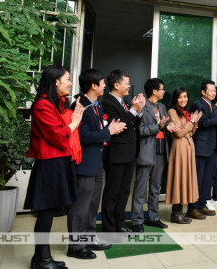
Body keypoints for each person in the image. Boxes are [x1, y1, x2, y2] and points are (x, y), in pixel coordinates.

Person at [24, 65, 84, 269]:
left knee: (51, 211)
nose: (70, 83)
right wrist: (74, 122)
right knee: (46, 212)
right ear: (55, 81)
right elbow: (58, 136)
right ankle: (42, 259)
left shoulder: (58, 103)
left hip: (60, 162)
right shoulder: (42, 105)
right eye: (67, 79)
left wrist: (75, 119)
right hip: (49, 164)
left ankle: (40, 257)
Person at [67, 69, 125, 259]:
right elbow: (83, 136)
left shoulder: (97, 106)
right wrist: (110, 131)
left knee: (92, 204)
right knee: (80, 206)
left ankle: (89, 238)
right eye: (101, 83)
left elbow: (98, 130)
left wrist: (110, 128)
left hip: (97, 161)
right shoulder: (79, 105)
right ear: (93, 85)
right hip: (84, 162)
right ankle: (75, 247)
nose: (104, 85)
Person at [101, 69, 145, 233]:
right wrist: (133, 110)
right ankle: (109, 227)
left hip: (129, 153)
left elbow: (134, 125)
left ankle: (119, 223)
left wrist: (138, 111)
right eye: (126, 83)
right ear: (116, 84)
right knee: (112, 192)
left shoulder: (126, 103)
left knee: (124, 191)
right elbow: (119, 126)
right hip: (116, 155)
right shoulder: (107, 103)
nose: (129, 86)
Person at [131, 78, 177, 232]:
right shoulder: (142, 107)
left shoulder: (162, 107)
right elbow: (140, 131)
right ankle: (137, 220)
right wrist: (158, 126)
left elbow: (163, 124)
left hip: (160, 150)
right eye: (162, 89)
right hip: (146, 151)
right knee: (140, 189)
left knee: (156, 187)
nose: (164, 91)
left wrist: (169, 126)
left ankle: (153, 217)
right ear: (154, 91)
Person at [187, 80, 217, 218]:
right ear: (203, 92)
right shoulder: (198, 104)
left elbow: (216, 125)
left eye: (214, 91)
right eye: (210, 91)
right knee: (198, 178)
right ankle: (192, 207)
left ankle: (202, 204)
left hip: (212, 147)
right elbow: (204, 123)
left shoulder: (212, 106)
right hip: (201, 147)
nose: (213, 93)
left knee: (206, 179)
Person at [166, 88, 202, 223]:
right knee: (178, 178)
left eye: (185, 97)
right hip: (179, 147)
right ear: (175, 99)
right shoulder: (172, 111)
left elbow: (190, 133)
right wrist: (191, 122)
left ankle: (180, 211)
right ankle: (175, 212)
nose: (183, 100)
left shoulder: (186, 112)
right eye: (180, 97)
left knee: (185, 178)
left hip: (188, 146)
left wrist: (195, 122)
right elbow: (179, 133)